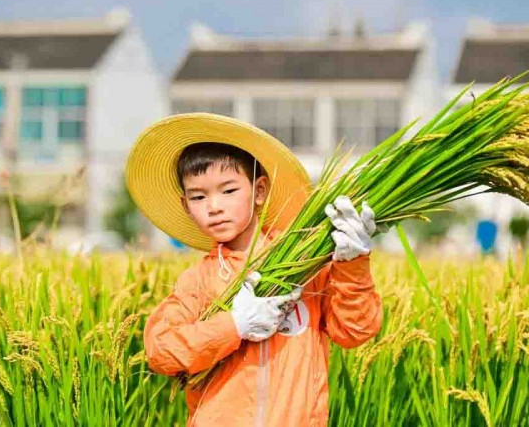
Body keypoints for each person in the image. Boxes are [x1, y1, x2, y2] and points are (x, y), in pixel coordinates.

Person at [126, 113, 384, 426]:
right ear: (186, 206)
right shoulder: (199, 280)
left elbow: (354, 331)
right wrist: (234, 325)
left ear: (259, 191)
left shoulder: (306, 263)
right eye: (198, 196)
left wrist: (352, 262)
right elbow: (162, 350)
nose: (214, 206)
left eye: (228, 191)